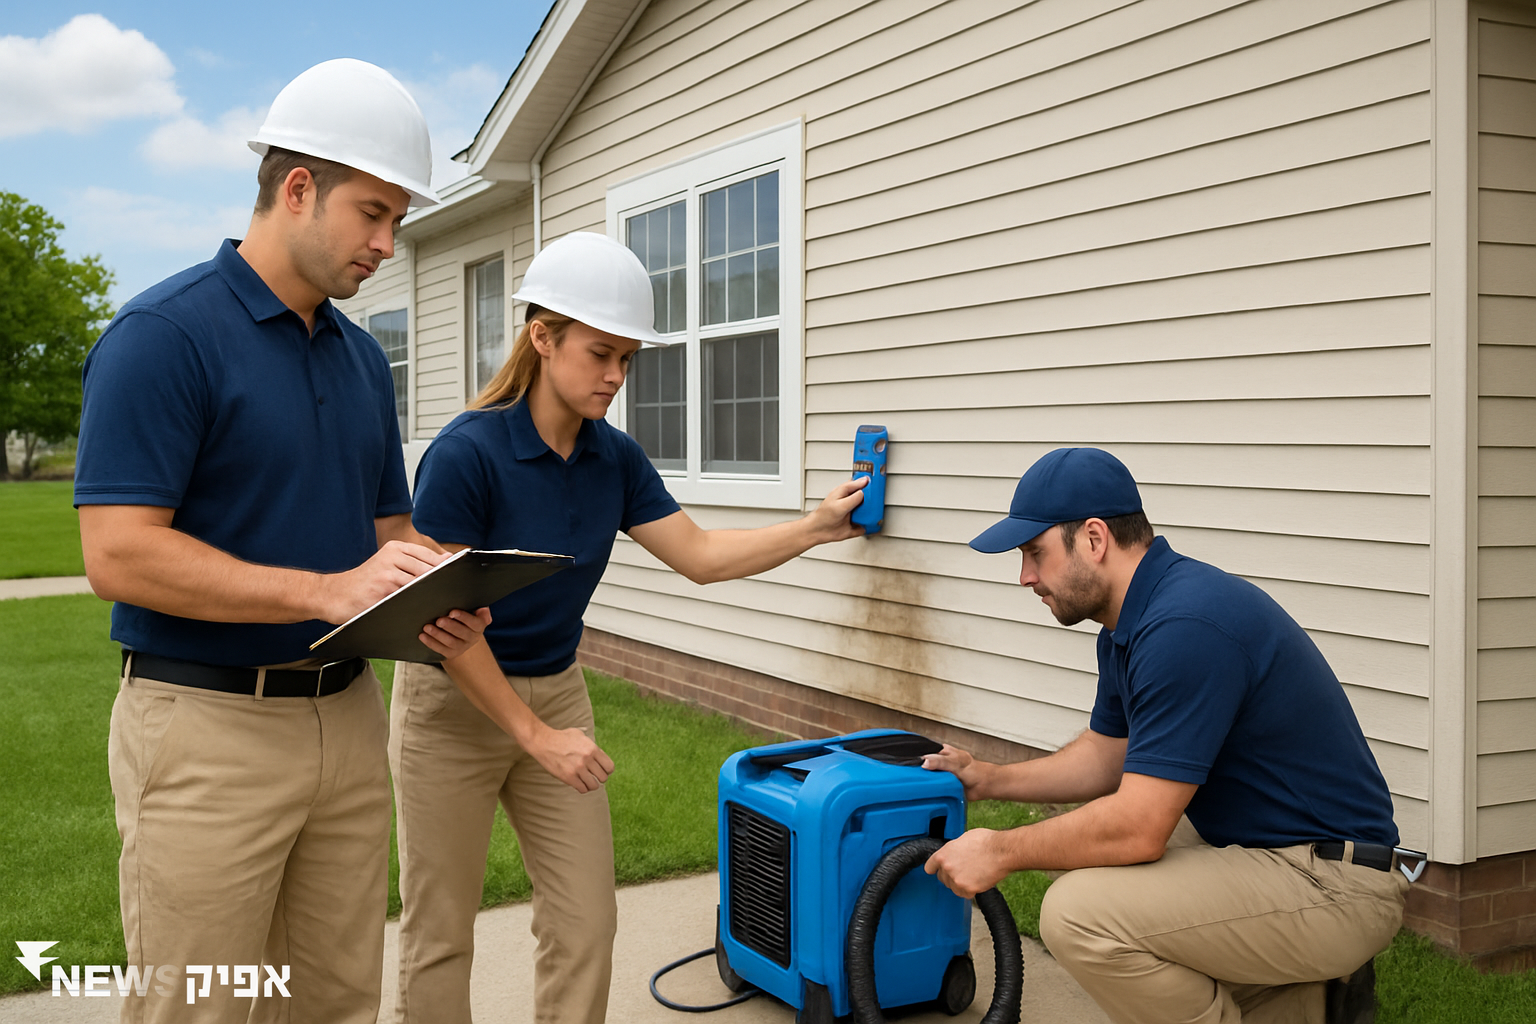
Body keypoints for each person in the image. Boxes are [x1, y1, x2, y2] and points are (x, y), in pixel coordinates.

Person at [74, 59, 489, 1024]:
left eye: (398, 221)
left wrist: (438, 578)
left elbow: (388, 530)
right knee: (199, 1006)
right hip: (203, 727)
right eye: (374, 214)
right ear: (296, 189)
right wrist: (324, 591)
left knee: (336, 998)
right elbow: (118, 555)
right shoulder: (162, 337)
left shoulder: (359, 362)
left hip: (346, 721)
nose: (388, 244)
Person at [388, 231, 868, 1024]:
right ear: (543, 338)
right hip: (453, 706)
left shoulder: (614, 458)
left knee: (586, 920)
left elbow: (702, 555)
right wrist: (532, 736)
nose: (616, 375)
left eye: (627, 359)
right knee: (440, 930)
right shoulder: (466, 455)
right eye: (600, 353)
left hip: (556, 694)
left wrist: (812, 527)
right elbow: (445, 625)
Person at [920, 447, 1407, 1024]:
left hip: (1332, 885)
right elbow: (1108, 756)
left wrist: (1000, 850)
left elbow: (1138, 828)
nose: (1025, 576)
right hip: (1275, 856)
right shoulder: (1135, 620)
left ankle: (1305, 990)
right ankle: (1302, 1003)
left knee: (1080, 914)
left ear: (1094, 539)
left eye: (1034, 552)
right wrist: (989, 779)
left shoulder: (1185, 627)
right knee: (1108, 866)